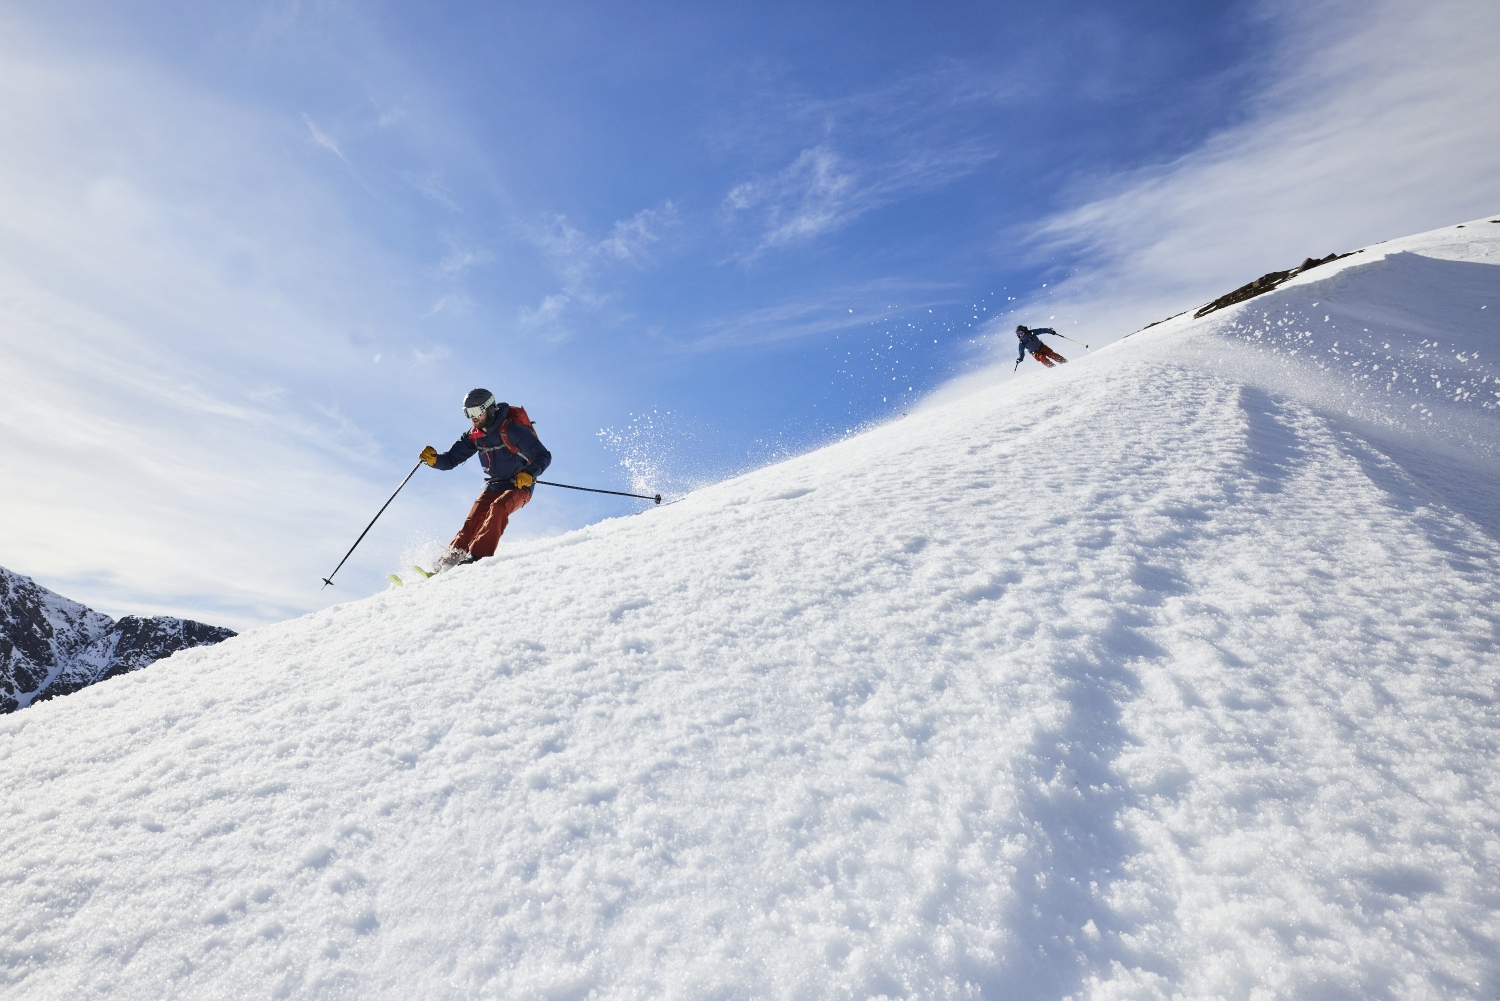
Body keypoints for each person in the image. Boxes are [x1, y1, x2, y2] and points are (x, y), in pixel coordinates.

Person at [419, 388, 551, 570]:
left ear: (489, 409)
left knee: (498, 508)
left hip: (519, 485)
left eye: (475, 412)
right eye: (467, 413)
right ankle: (446, 564)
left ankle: (477, 558)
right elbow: (450, 460)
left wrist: (529, 473)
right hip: (495, 485)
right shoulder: (474, 436)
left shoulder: (511, 430)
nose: (472, 417)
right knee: (472, 522)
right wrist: (434, 460)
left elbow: (543, 455)